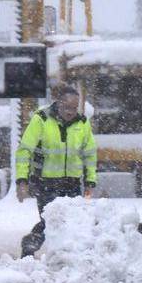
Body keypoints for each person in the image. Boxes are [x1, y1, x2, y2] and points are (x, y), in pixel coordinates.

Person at [14, 84, 97, 255]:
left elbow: (90, 154)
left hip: (72, 183)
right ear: (58, 103)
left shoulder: (82, 123)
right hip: (45, 182)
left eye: (74, 108)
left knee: (71, 221)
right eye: (67, 107)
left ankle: (68, 257)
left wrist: (90, 182)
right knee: (50, 221)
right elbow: (24, 151)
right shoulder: (41, 120)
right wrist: (22, 181)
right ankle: (30, 247)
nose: (70, 112)